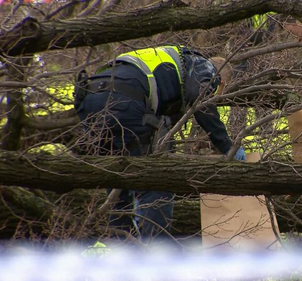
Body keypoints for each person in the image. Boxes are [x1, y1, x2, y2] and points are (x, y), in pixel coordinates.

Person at [74, 45, 246, 243]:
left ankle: (125, 248)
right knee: (156, 178)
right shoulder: (203, 66)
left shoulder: (170, 60)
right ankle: (155, 252)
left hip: (89, 99)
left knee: (116, 178)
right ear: (221, 82)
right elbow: (200, 100)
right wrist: (227, 146)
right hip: (124, 99)